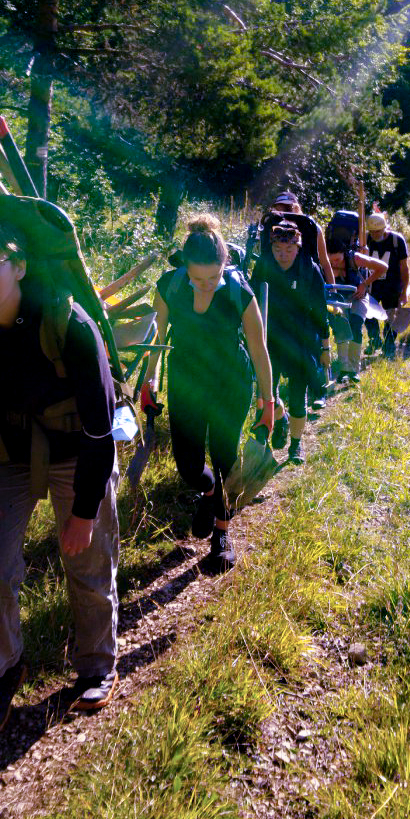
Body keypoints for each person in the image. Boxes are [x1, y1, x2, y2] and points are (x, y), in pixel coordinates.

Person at [0, 213, 121, 736]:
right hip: (7, 448)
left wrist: (85, 510)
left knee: (87, 561)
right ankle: (2, 672)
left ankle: (95, 664)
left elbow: (99, 431)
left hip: (78, 449)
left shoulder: (69, 323)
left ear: (18, 266)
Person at [143, 215, 272, 573]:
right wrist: (148, 380)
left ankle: (222, 532)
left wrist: (268, 402)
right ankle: (211, 494)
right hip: (186, 381)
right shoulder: (169, 285)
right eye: (196, 279)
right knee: (187, 464)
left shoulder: (237, 290)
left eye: (212, 278)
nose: (204, 286)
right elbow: (156, 338)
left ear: (224, 266)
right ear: (184, 267)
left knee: (225, 458)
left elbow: (259, 350)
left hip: (231, 383)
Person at [251, 220, 331, 465]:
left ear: (298, 248)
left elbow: (320, 311)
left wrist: (325, 348)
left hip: (302, 341)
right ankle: (278, 418)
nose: (282, 256)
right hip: (271, 340)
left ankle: (296, 445)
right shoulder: (264, 267)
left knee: (298, 395)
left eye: (288, 250)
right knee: (267, 394)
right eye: (277, 250)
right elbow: (250, 304)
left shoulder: (309, 270)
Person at [324, 206, 388, 380]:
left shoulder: (355, 258)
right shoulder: (324, 261)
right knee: (340, 328)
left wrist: (364, 285)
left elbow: (383, 267)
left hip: (359, 296)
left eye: (337, 260)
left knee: (355, 325)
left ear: (343, 254)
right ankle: (344, 368)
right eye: (330, 261)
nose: (334, 264)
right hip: (338, 297)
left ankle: (354, 369)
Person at [260, 191, 335, 284]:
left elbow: (325, 264)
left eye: (287, 209)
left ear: (296, 208)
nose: (284, 214)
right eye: (280, 211)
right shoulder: (270, 228)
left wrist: (333, 291)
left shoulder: (312, 229)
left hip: (306, 280)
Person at [363, 212, 410, 357]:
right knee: (368, 314)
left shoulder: (397, 241)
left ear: (384, 228)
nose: (375, 234)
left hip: (392, 285)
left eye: (378, 231)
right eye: (372, 231)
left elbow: (404, 267)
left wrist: (404, 291)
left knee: (392, 315)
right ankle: (374, 340)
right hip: (372, 284)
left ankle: (389, 344)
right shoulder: (365, 240)